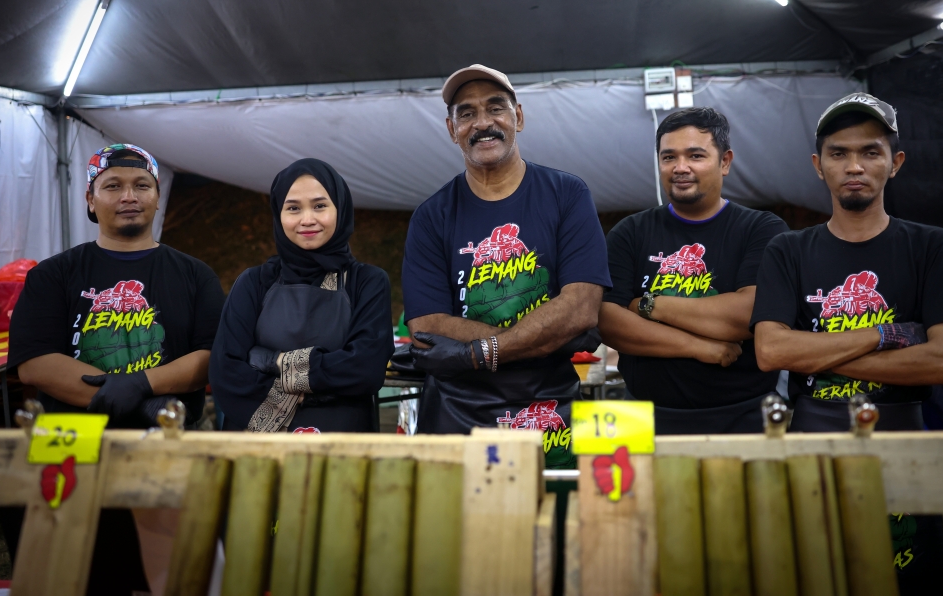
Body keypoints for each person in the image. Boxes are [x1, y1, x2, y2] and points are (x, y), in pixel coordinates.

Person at [751, 93, 943, 595]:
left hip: (902, 452)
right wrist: (890, 334)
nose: (854, 166)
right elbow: (771, 351)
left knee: (908, 580)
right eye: (838, 153)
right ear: (818, 166)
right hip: (814, 448)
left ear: (895, 162)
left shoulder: (933, 247)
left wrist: (817, 348)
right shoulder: (787, 250)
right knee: (821, 579)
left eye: (870, 152)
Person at [5, 143, 225, 595]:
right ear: (90, 199)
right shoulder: (53, 274)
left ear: (157, 196)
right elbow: (34, 363)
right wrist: (112, 395)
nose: (129, 195)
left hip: (164, 438)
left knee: (167, 572)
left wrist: (142, 384)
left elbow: (210, 355)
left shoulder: (196, 274)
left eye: (141, 185)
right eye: (113, 186)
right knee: (72, 570)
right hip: (70, 442)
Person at [403, 64, 611, 468]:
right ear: (451, 129)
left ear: (518, 116)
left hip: (550, 412)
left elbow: (582, 307)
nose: (483, 123)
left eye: (495, 107)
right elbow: (428, 326)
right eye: (466, 113)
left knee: (552, 523)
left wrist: (478, 352)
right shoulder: (431, 216)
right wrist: (548, 334)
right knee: (456, 529)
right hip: (457, 414)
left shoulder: (567, 195)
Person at [598, 108, 788, 434]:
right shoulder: (630, 231)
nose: (680, 168)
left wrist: (647, 305)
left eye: (696, 155)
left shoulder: (762, 229)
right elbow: (608, 322)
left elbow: (746, 314)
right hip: (642, 415)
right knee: (639, 489)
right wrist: (703, 348)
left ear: (725, 162)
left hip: (743, 416)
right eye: (669, 157)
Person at [209, 159, 393, 433]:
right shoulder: (254, 282)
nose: (308, 219)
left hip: (341, 444)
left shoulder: (367, 282)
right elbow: (226, 372)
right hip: (256, 447)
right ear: (278, 214)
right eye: (293, 208)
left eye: (320, 206)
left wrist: (273, 361)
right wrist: (324, 379)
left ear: (340, 209)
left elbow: (365, 368)